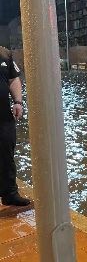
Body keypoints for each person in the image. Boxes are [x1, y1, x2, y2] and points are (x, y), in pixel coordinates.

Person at [0, 47, 30, 206]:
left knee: (7, 153)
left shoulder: (4, 54)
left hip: (4, 116)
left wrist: (18, 102)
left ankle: (9, 193)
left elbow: (13, 79)